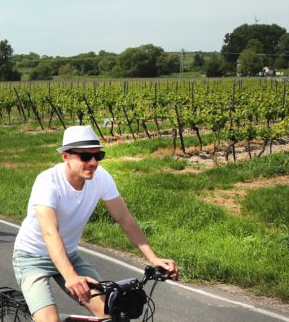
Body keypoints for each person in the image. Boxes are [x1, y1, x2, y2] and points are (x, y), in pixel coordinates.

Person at [12, 125, 179, 322]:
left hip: (68, 255)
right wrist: (71, 277)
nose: (92, 162)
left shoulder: (100, 178)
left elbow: (124, 218)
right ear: (65, 156)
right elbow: (50, 233)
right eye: (85, 156)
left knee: (110, 312)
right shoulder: (47, 183)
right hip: (32, 258)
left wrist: (153, 257)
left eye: (97, 156)